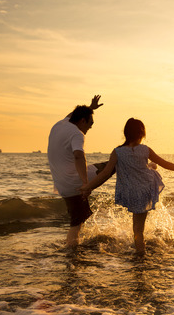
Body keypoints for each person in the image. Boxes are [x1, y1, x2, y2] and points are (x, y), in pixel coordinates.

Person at [80, 118, 174, 256]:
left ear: (126, 133)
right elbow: (166, 164)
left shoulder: (117, 151)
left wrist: (88, 187)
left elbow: (105, 173)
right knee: (138, 230)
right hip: (145, 190)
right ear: (142, 133)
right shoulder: (145, 150)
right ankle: (141, 255)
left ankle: (139, 253)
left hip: (130, 192)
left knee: (137, 228)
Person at [48, 95, 104, 248]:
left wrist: (90, 108)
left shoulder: (60, 124)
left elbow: (72, 114)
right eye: (90, 123)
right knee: (114, 163)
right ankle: (71, 254)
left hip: (62, 185)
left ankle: (75, 249)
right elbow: (79, 156)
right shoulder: (77, 134)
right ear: (82, 121)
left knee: (78, 219)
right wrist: (86, 184)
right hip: (75, 184)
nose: (90, 127)